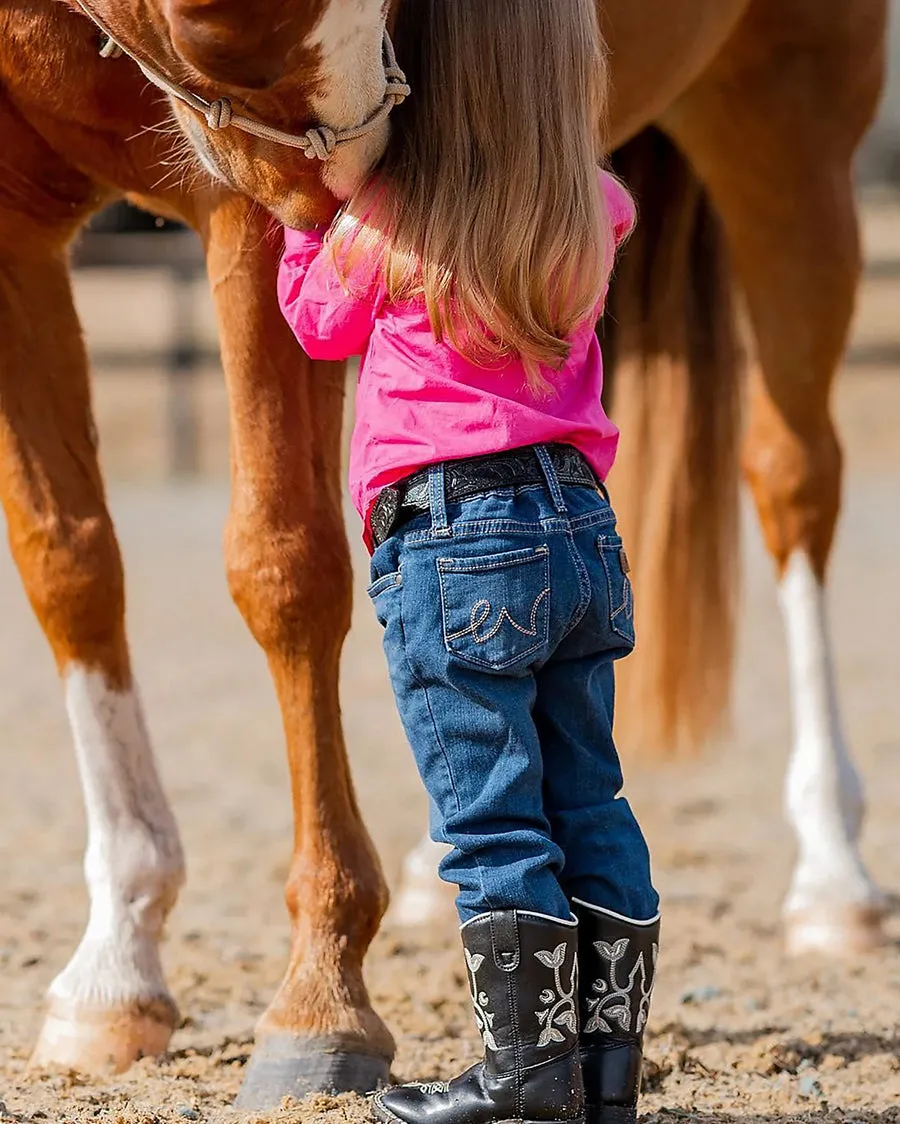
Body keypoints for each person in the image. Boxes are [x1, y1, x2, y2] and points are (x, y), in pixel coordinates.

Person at [277, 2, 659, 1122]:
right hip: (581, 529)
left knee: (491, 816)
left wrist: (302, 212)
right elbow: (614, 196)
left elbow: (312, 321)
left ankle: (526, 1077)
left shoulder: (389, 218)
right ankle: (605, 1069)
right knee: (593, 798)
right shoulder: (594, 206)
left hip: (453, 538)